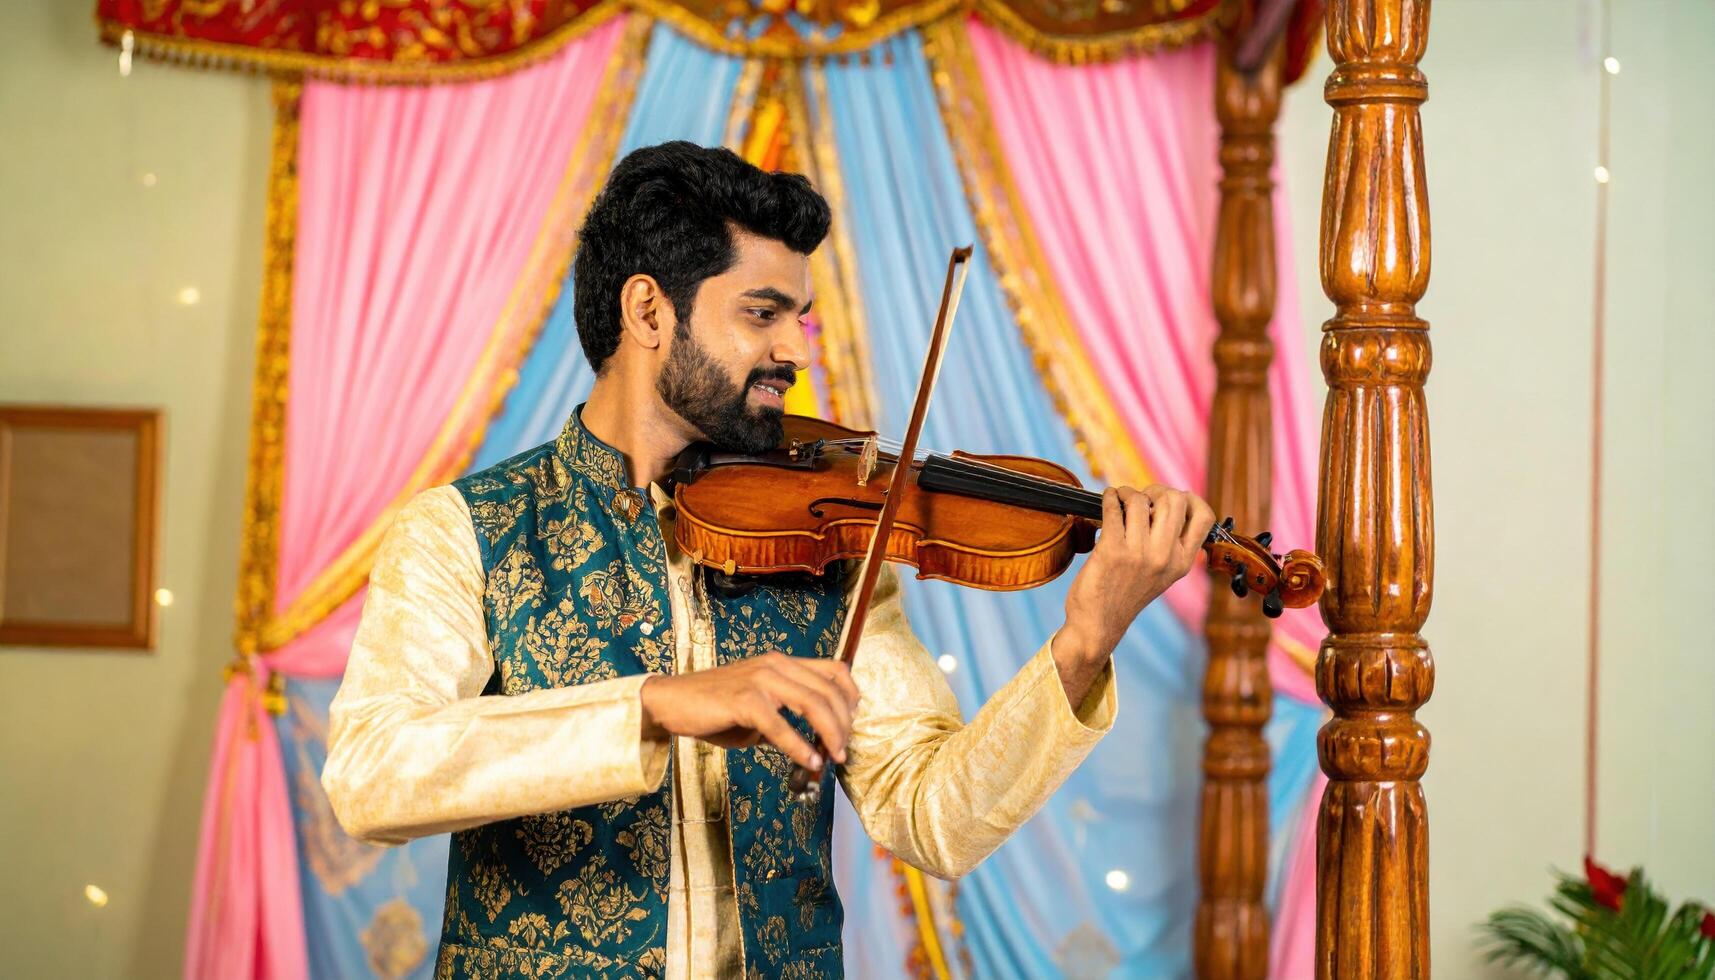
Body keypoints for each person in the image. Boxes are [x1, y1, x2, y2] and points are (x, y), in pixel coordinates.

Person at [322, 140, 1214, 979]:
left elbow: (932, 816)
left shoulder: (829, 540)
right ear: (647, 312)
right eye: (762, 313)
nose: (794, 350)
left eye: (800, 317)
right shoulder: (464, 528)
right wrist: (660, 704)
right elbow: (372, 773)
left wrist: (1083, 643)